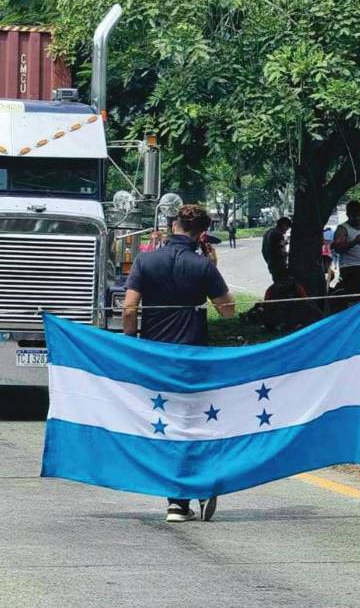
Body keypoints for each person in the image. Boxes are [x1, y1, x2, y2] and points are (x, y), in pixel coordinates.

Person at [123, 204, 234, 523]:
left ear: (173, 227)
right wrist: (212, 266)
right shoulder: (202, 266)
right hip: (194, 357)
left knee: (165, 426)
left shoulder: (146, 260)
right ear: (202, 235)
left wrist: (131, 343)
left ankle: (176, 501)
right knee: (193, 423)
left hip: (155, 358)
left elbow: (130, 310)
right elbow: (228, 311)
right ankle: (194, 487)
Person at [332, 201, 360, 304]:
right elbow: (338, 248)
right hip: (350, 266)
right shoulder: (342, 229)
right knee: (356, 293)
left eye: (359, 215)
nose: (356, 218)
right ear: (348, 214)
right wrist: (354, 242)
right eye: (353, 215)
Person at [261, 217, 292, 283]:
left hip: (271, 264)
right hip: (280, 266)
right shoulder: (278, 235)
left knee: (277, 283)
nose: (286, 231)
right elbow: (280, 251)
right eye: (287, 228)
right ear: (283, 225)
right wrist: (289, 254)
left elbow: (263, 251)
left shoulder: (268, 233)